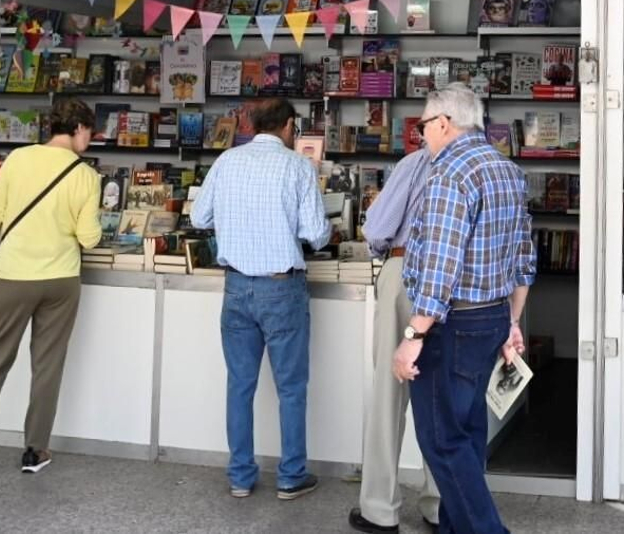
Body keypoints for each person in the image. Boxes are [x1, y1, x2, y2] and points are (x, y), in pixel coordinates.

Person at [394, 83, 536, 534]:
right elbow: (523, 256)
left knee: (441, 440)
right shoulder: (507, 170)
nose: (422, 137)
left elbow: (439, 265)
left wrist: (412, 337)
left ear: (442, 123)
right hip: (492, 315)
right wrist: (512, 321)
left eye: (422, 126)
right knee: (468, 431)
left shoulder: (449, 174)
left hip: (452, 324)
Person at [0, 97, 103, 477]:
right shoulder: (87, 176)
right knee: (47, 366)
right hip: (59, 280)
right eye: (90, 132)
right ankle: (35, 451)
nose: (92, 139)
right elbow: (88, 238)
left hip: (10, 276)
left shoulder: (17, 160)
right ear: (79, 129)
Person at [189, 97, 330, 501]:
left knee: (239, 385)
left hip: (236, 287)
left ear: (253, 126)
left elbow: (199, 218)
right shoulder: (298, 166)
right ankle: (290, 476)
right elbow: (317, 234)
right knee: (291, 387)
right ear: (288, 126)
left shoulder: (226, 161)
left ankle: (240, 476)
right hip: (281, 287)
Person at [349, 147, 441, 534]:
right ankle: (441, 505)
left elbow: (379, 226)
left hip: (408, 272)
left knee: (390, 393)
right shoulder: (489, 163)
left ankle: (380, 509)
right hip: (463, 283)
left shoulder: (417, 162)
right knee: (443, 398)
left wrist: (379, 251)